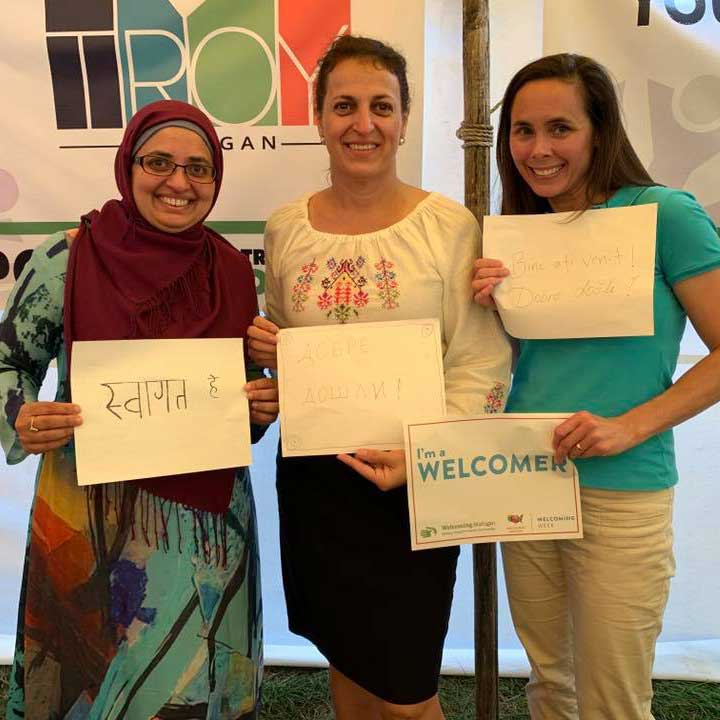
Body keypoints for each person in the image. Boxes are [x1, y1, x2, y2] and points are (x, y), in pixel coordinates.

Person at [248, 35, 511, 720]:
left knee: (407, 688)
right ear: (318, 118)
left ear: (404, 118)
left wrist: (424, 457)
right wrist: (273, 355)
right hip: (317, 481)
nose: (362, 124)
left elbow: (479, 358)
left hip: (415, 484)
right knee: (349, 661)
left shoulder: (449, 226)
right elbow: (289, 345)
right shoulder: (286, 229)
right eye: (344, 106)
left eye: (380, 107)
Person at [0, 100, 278, 719]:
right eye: (160, 162)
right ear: (129, 165)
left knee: (192, 684)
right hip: (90, 515)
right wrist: (20, 413)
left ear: (215, 181)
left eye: (198, 169)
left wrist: (263, 404)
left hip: (206, 528)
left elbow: (245, 394)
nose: (179, 183)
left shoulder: (231, 270)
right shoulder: (67, 259)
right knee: (94, 684)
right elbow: (6, 362)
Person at [472, 53, 720, 720]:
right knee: (551, 683)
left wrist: (628, 426)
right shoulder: (521, 235)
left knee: (613, 699)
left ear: (599, 130)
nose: (538, 149)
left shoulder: (665, 214)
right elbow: (524, 365)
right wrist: (493, 311)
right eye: (522, 131)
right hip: (526, 476)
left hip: (624, 489)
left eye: (560, 128)